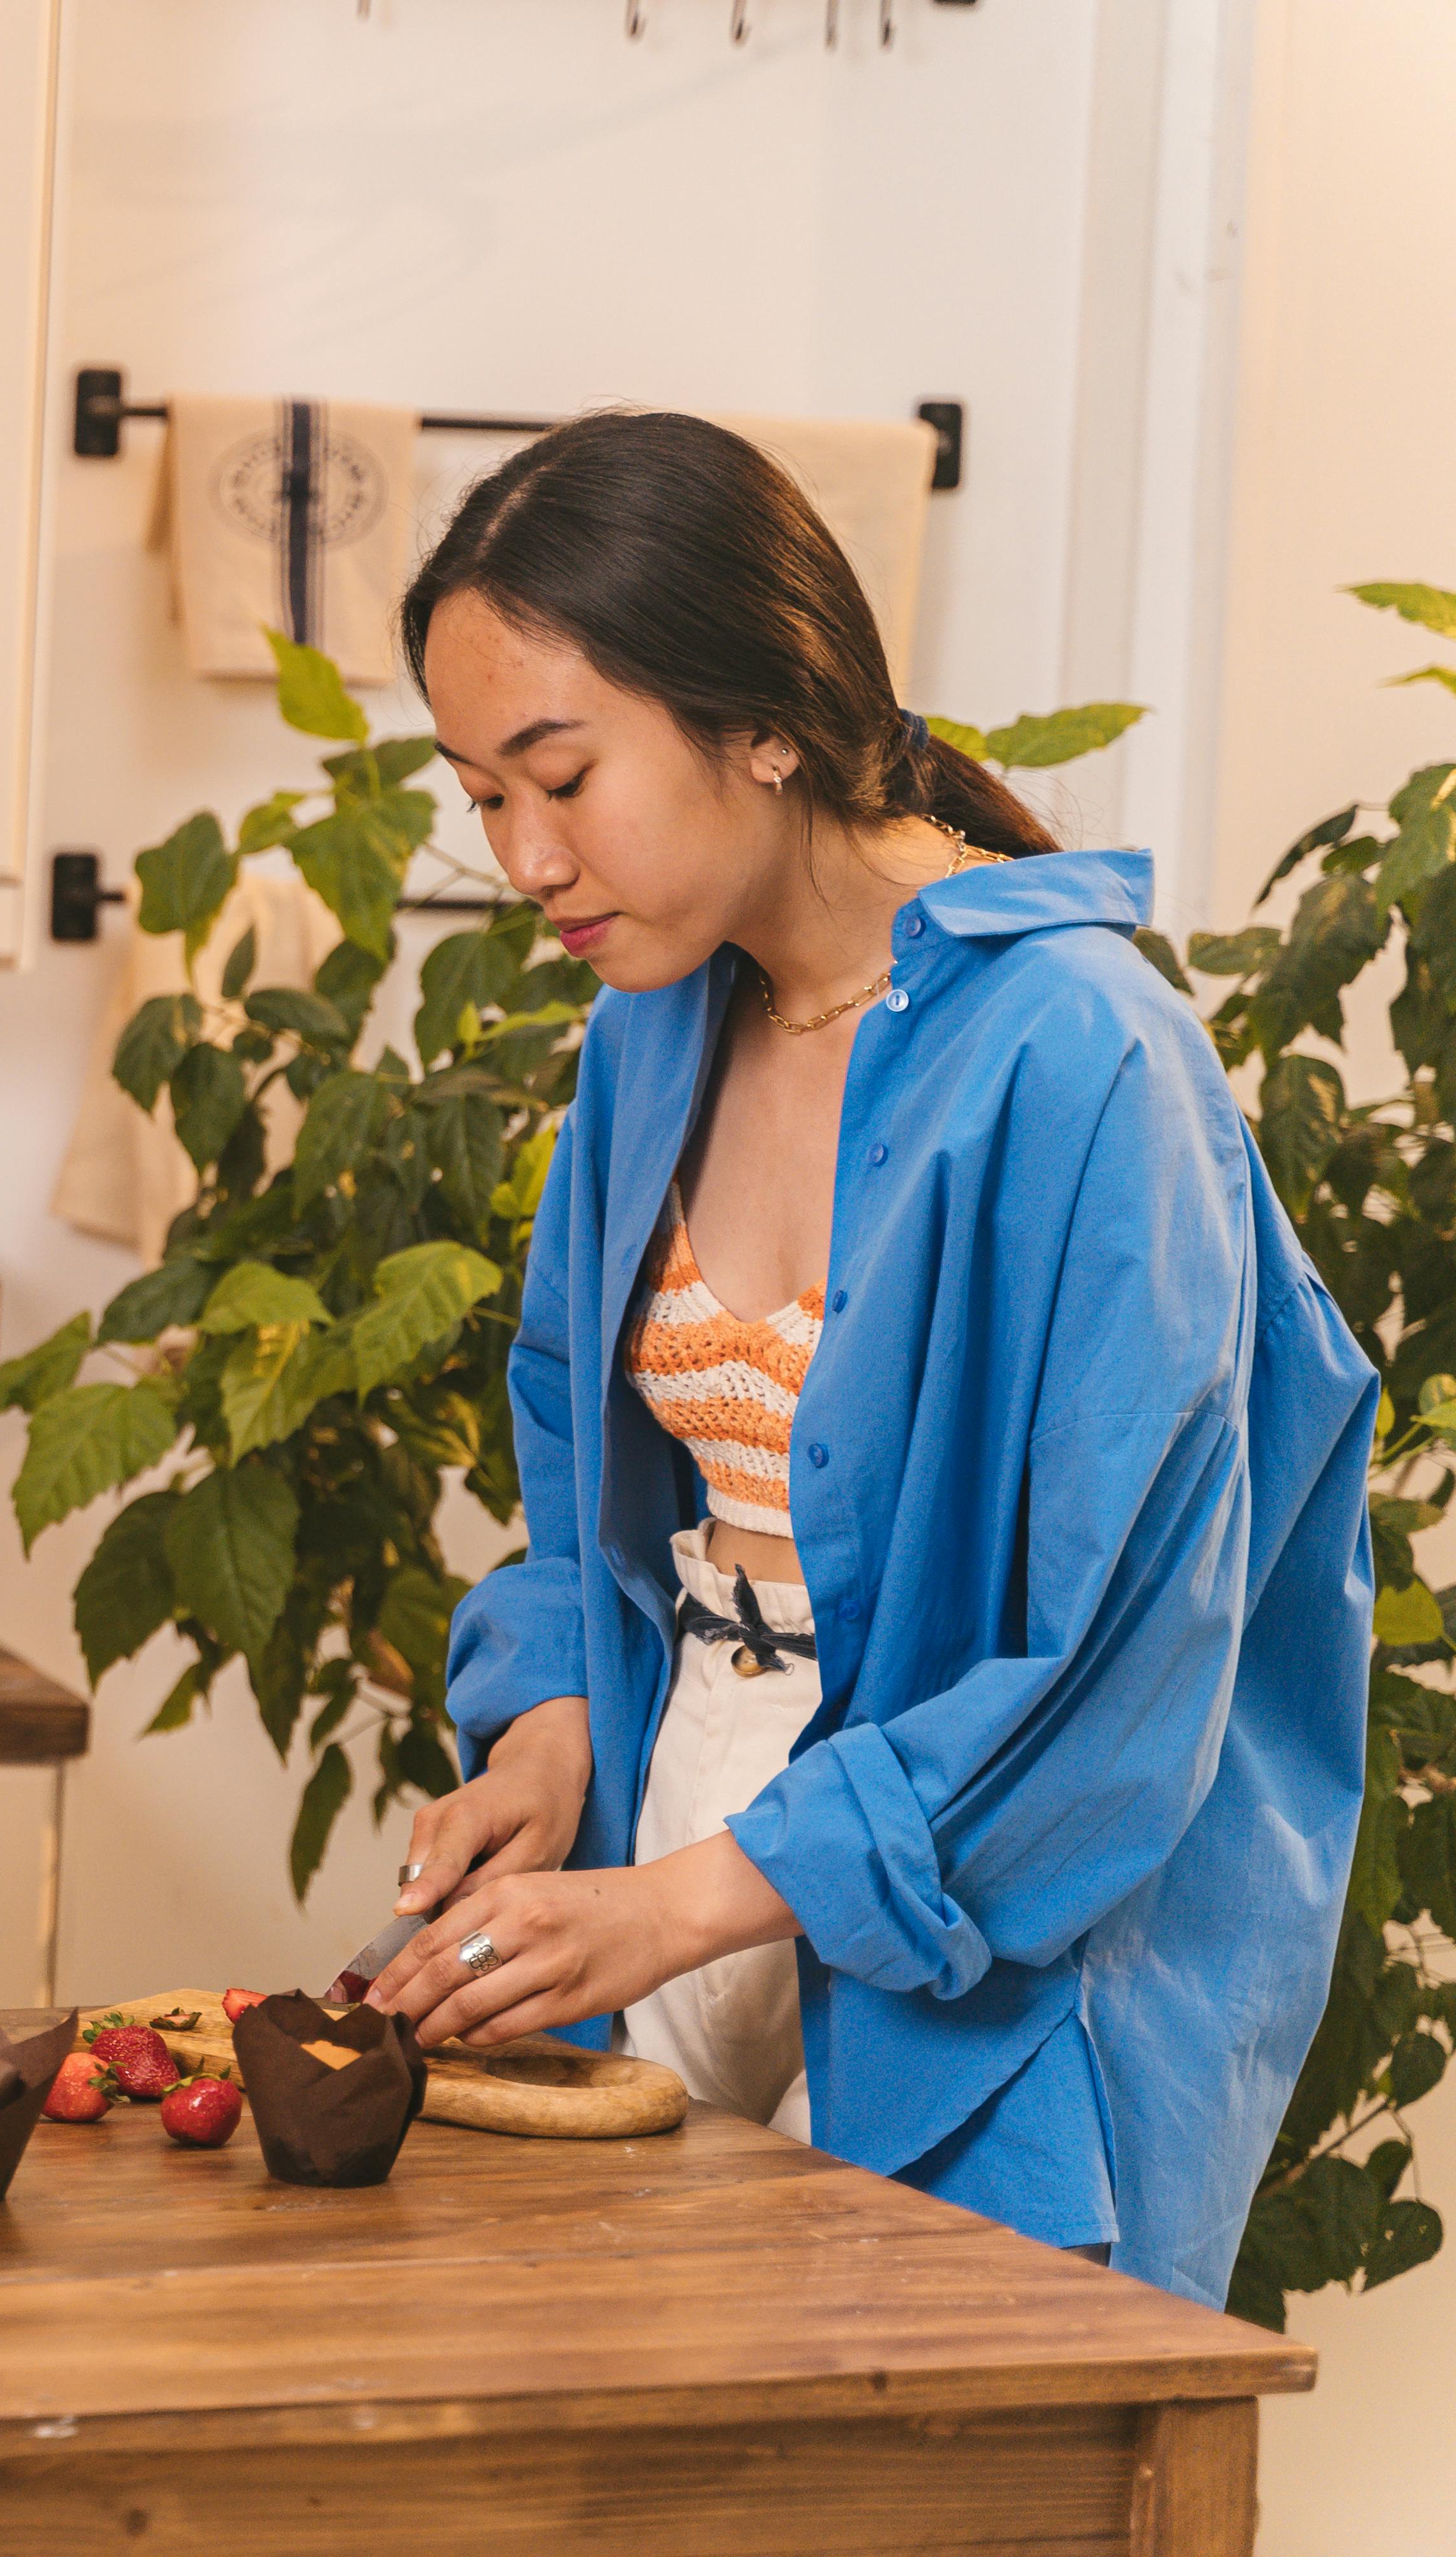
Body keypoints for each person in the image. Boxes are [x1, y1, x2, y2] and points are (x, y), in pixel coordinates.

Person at [362, 413, 1377, 2305]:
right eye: (480, 792)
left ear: (763, 719)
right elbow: (582, 1478)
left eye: (560, 775)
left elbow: (1117, 1670)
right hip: (677, 1842)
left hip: (992, 1935)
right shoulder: (649, 1031)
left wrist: (688, 1902)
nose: (520, 855)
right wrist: (564, 1714)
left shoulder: (1089, 1061)